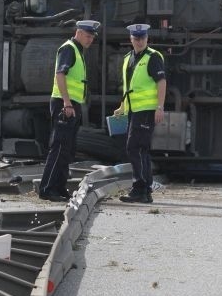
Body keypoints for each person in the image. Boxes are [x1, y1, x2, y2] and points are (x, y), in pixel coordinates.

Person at [39, 20, 101, 202]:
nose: (90, 40)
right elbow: (60, 74)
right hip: (64, 104)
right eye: (88, 36)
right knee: (59, 147)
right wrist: (67, 102)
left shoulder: (78, 50)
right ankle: (47, 188)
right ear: (79, 33)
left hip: (72, 104)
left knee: (68, 148)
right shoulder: (69, 49)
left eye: (92, 37)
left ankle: (59, 187)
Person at [114, 23, 166, 203]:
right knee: (140, 149)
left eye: (142, 38)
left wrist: (160, 107)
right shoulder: (129, 58)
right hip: (134, 110)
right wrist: (122, 106)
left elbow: (161, 82)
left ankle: (140, 189)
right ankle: (144, 192)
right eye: (136, 38)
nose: (140, 41)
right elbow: (130, 87)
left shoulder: (152, 57)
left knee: (134, 147)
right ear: (131, 39)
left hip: (146, 110)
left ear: (147, 38)